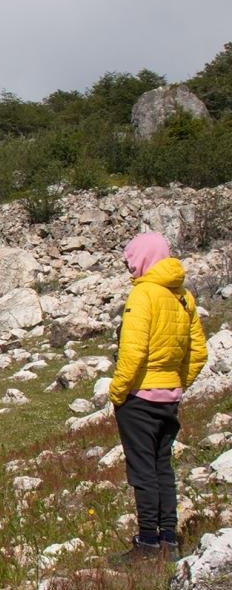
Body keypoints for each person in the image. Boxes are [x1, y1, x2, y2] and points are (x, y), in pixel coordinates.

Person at [109, 231, 207, 564]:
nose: (129, 266)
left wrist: (118, 392)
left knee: (142, 472)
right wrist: (177, 384)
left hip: (139, 398)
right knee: (162, 467)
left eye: (131, 259)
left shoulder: (143, 295)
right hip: (169, 397)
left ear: (145, 259)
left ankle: (147, 543)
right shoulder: (183, 297)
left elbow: (132, 352)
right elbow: (198, 352)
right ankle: (169, 539)